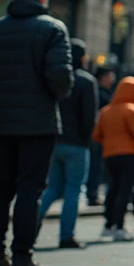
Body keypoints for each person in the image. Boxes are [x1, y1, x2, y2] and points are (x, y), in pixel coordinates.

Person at [0, 0, 73, 266]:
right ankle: (23, 258)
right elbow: (61, 78)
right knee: (30, 189)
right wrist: (54, 95)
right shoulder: (53, 29)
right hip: (38, 122)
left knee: (1, 188)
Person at [38, 38, 98, 249]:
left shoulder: (55, 77)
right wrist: (86, 138)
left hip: (55, 139)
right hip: (77, 144)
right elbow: (89, 116)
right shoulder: (86, 81)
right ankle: (66, 236)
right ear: (82, 57)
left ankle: (30, 229)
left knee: (52, 188)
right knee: (74, 188)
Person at [93, 77, 134, 241]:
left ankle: (108, 224)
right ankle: (119, 226)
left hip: (110, 155)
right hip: (130, 154)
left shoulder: (106, 111)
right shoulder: (132, 109)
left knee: (113, 189)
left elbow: (97, 135)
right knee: (126, 189)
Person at [86, 66, 116, 206]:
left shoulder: (99, 92)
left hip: (92, 135)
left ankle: (92, 193)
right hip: (97, 136)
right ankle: (92, 194)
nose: (112, 80)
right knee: (95, 166)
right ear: (103, 77)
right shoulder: (102, 95)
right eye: (110, 76)